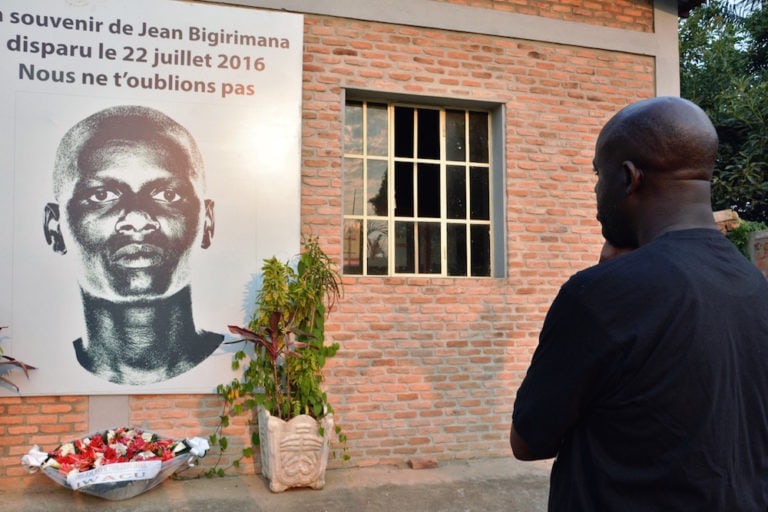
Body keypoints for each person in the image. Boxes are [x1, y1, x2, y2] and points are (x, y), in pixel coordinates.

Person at [510, 96, 768, 510]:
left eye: (599, 175)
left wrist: (605, 281)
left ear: (629, 178)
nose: (596, 192)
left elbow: (528, 441)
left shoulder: (597, 296)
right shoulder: (754, 286)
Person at [43, 105, 223, 385]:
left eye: (168, 194)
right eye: (101, 195)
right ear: (54, 228)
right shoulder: (47, 370)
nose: (138, 219)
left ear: (207, 221)